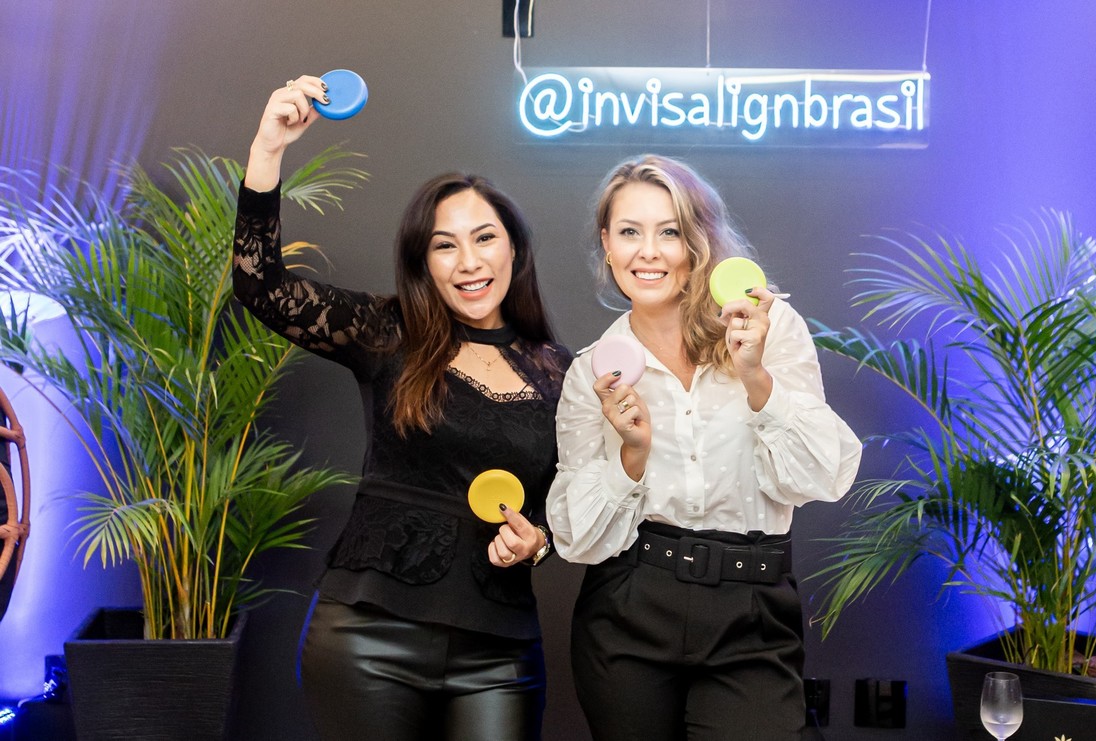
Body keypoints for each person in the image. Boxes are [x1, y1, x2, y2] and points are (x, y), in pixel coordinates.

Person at [232, 74, 571, 740]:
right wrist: (268, 147)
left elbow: (574, 505)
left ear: (515, 247)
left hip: (499, 650)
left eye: (485, 238)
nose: (468, 262)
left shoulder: (563, 371)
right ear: (424, 263)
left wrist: (541, 542)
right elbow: (259, 284)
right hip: (367, 639)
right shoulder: (385, 332)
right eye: (445, 245)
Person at [546, 154, 862, 740]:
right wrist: (630, 456)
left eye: (669, 232)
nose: (649, 252)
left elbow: (822, 477)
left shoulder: (768, 328)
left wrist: (756, 377)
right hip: (629, 608)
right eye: (629, 232)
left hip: (751, 606)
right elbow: (576, 538)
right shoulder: (592, 371)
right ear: (607, 245)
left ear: (698, 243)